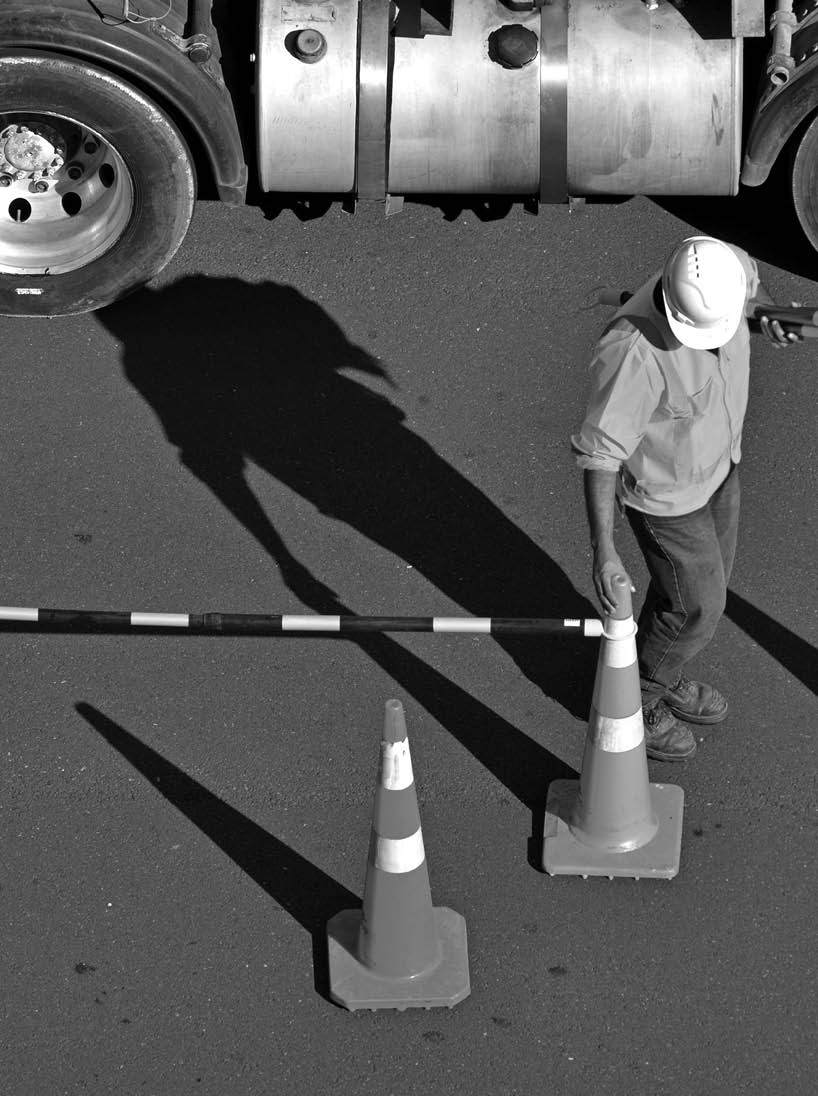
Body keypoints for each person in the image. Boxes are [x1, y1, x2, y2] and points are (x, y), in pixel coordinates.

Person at [572, 236, 799, 761]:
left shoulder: (729, 268)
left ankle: (661, 666)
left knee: (688, 595)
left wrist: (766, 320)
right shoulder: (633, 353)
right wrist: (603, 549)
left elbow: (747, 308)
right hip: (667, 500)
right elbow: (601, 454)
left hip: (721, 468)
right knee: (699, 604)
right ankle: (640, 700)